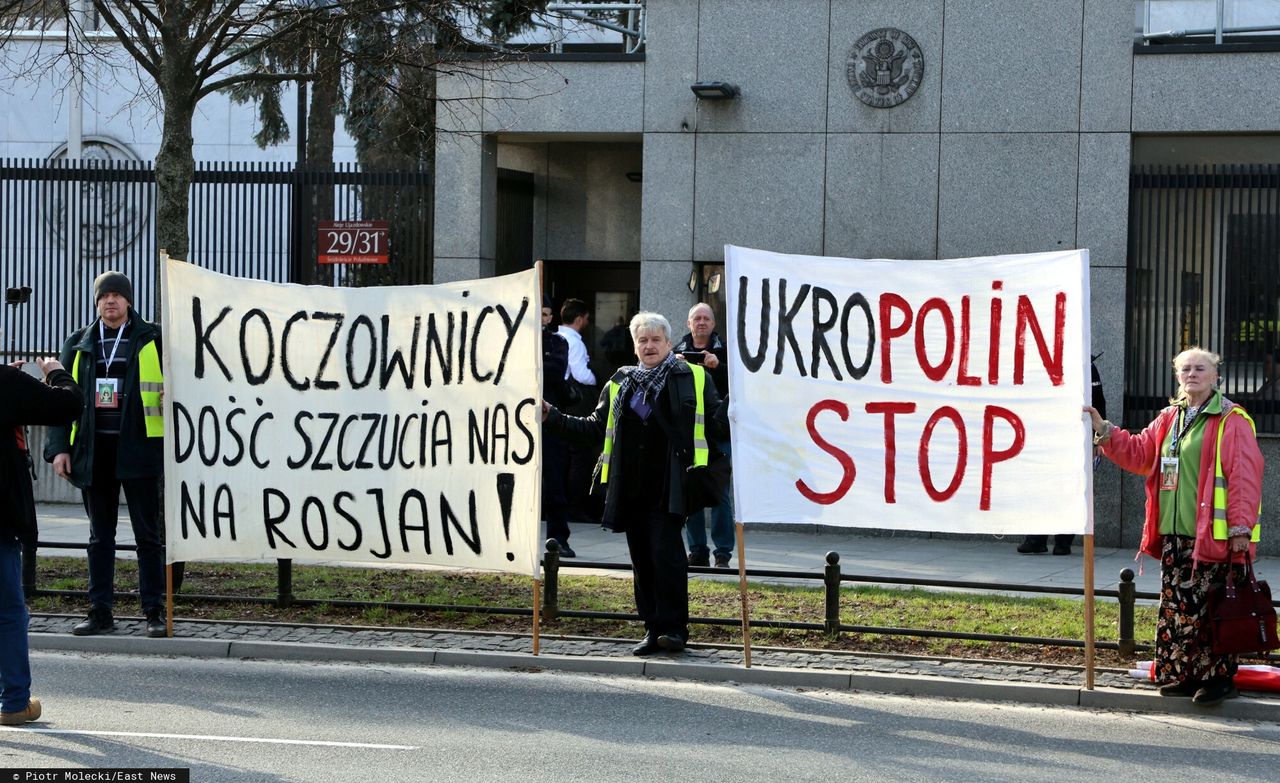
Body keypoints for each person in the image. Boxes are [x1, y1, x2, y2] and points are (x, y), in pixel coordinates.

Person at [543, 312, 728, 656]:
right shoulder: (619, 383)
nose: (649, 345)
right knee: (642, 561)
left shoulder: (693, 377)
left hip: (672, 484)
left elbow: (718, 424)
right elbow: (594, 429)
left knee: (668, 557)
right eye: (642, 340)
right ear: (634, 346)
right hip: (630, 486)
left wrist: (738, 403)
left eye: (656, 339)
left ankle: (674, 630)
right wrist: (551, 415)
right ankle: (652, 628)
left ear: (669, 344)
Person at [1088, 347, 1264, 706]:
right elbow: (1140, 454)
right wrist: (1104, 430)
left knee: (1209, 607)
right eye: (1185, 369)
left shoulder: (1232, 420)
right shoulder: (1170, 417)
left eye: (1200, 368)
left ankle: (1218, 679)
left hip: (1214, 537)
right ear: (1177, 376)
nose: (1192, 374)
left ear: (1216, 376)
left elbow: (1244, 478)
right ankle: (1184, 676)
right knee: (1180, 608)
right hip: (1175, 536)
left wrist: (1240, 530)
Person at [44, 271, 167, 638]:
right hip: (93, 451)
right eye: (103, 296)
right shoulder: (79, 343)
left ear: (129, 301)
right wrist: (60, 449)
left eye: (116, 295)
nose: (110, 302)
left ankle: (154, 611)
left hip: (141, 448)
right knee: (100, 536)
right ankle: (100, 610)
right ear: (96, 302)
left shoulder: (152, 338)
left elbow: (180, 384)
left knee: (148, 535)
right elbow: (58, 401)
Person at [1, 356, 82, 724]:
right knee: (7, 612)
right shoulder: (5, 384)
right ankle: (15, 701)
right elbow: (68, 404)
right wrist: (54, 373)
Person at [1018, 359, 1107, 556]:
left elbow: (1098, 402)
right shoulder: (1040, 361)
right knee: (1039, 487)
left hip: (1075, 438)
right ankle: (1036, 538)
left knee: (1070, 489)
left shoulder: (1085, 364)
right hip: (1044, 436)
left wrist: (1096, 441)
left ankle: (1063, 541)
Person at [674, 303, 734, 568]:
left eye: (706, 318)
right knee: (691, 491)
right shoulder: (675, 351)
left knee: (721, 493)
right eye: (696, 318)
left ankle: (723, 552)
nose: (701, 322)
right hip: (688, 432)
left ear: (713, 323)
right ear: (688, 324)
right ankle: (697, 551)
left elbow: (741, 384)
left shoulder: (726, 351)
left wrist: (718, 365)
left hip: (718, 431)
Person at [557, 298, 600, 523]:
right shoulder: (574, 342)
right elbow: (581, 374)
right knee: (580, 457)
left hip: (558, 404)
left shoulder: (555, 338)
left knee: (563, 458)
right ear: (580, 318)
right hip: (575, 405)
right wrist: (600, 379)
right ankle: (575, 506)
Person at [540, 296, 575, 558]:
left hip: (550, 420)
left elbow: (554, 369)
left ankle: (558, 538)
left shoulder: (558, 342)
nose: (541, 318)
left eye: (545, 314)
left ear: (551, 317)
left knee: (554, 483)